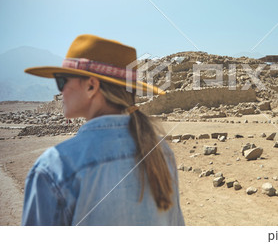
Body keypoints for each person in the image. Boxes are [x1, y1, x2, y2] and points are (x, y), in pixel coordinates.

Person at [22, 34, 185, 226]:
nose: (60, 92)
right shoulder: (161, 151)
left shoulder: (55, 168)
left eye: (62, 80)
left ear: (91, 85)